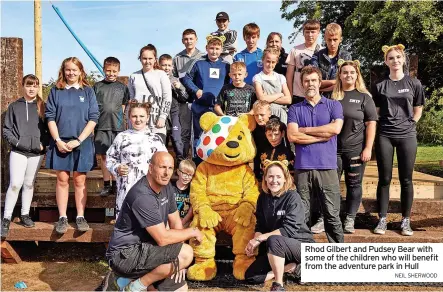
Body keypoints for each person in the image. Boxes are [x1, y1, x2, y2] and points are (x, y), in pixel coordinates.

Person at [104, 152, 203, 292]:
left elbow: (176, 223)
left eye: (170, 168)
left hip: (149, 248)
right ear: (150, 168)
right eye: (162, 167)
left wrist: (179, 263)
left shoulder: (167, 186)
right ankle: (134, 286)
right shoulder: (142, 195)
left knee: (181, 289)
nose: (166, 173)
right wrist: (192, 232)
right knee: (186, 253)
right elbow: (162, 238)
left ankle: (125, 281)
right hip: (125, 255)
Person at [287, 65, 344, 243]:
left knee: (332, 213)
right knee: (302, 214)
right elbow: (292, 135)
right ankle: (302, 256)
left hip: (327, 166)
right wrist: (321, 137)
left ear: (320, 83)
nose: (310, 84)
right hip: (303, 167)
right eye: (306, 81)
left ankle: (338, 255)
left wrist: (307, 130)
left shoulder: (333, 105)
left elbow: (335, 128)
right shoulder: (295, 109)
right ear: (302, 84)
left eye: (313, 80)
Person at [372, 44, 425, 236]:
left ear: (403, 60)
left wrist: (412, 123)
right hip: (385, 134)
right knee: (384, 179)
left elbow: (418, 108)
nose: (395, 61)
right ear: (386, 61)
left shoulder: (414, 83)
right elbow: (376, 111)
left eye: (398, 57)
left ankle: (405, 221)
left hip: (407, 136)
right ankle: (382, 220)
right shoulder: (379, 85)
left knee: (406, 179)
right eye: (391, 58)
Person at [45, 57, 99, 234]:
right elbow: (50, 117)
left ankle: (80, 216)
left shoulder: (88, 91)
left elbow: (93, 118)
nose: (71, 73)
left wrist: (79, 140)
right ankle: (62, 217)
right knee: (61, 180)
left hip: (81, 142)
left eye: (75, 70)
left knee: (79, 180)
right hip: (60, 142)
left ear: (81, 71)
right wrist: (58, 141)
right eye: (68, 70)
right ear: (63, 71)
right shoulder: (55, 91)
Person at [245, 160, 314, 291]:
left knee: (274, 240)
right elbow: (260, 225)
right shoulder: (262, 198)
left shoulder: (293, 197)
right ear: (265, 178)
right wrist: (254, 241)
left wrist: (261, 238)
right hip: (277, 248)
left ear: (285, 179)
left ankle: (278, 284)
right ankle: (293, 267)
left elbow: (288, 230)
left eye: (278, 176)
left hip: (301, 245)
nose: (274, 180)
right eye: (270, 176)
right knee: (252, 276)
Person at [331, 60, 378, 233]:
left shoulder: (364, 97)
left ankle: (350, 219)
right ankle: (329, 218)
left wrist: (368, 148)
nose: (348, 75)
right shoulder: (333, 97)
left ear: (357, 75)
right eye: (345, 72)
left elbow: (371, 124)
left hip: (355, 150)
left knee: (354, 184)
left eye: (352, 72)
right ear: (340, 75)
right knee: (331, 185)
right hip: (333, 150)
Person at [1, 74, 49, 237]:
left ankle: (25, 214)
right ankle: (6, 218)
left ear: (38, 87)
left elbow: (49, 128)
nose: (31, 88)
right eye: (28, 85)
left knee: (29, 184)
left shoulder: (43, 106)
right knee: (15, 184)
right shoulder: (14, 106)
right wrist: (18, 143)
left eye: (35, 85)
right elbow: (7, 130)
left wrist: (44, 144)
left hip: (36, 153)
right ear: (23, 86)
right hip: (19, 151)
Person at [106, 102, 167, 216]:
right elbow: (110, 159)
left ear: (148, 117)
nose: (138, 119)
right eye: (134, 116)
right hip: (126, 192)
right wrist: (117, 167)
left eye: (142, 116)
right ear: (129, 117)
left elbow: (165, 164)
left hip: (150, 193)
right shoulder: (121, 137)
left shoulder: (156, 140)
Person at [181, 35, 230, 164]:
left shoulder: (226, 66)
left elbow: (230, 84)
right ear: (206, 48)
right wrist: (196, 90)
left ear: (221, 49)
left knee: (217, 137)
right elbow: (185, 78)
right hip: (200, 107)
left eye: (217, 48)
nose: (214, 51)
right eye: (211, 48)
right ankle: (198, 165)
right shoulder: (199, 64)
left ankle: (215, 164)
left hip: (218, 108)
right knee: (199, 137)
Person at [93, 57, 130, 197]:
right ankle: (107, 184)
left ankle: (117, 183)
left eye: (114, 71)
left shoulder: (123, 87)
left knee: (118, 156)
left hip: (118, 127)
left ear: (118, 71)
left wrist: (123, 124)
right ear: (103, 69)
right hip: (101, 126)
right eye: (108, 70)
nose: (111, 73)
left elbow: (123, 107)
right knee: (104, 157)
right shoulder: (97, 86)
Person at [128, 44, 172, 143]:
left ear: (155, 59)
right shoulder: (133, 76)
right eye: (144, 58)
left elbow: (167, 98)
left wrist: (163, 116)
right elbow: (131, 99)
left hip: (156, 122)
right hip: (139, 123)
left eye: (150, 58)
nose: (147, 61)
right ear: (140, 59)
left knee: (157, 155)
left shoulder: (161, 75)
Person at [173, 29, 205, 159]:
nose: (188, 41)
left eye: (191, 38)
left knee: (200, 132)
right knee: (185, 133)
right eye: (186, 39)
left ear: (196, 39)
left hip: (199, 100)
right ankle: (183, 162)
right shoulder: (177, 58)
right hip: (184, 101)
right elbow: (174, 77)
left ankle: (199, 161)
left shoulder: (203, 56)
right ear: (182, 41)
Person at [159, 54, 189, 162]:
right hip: (161, 113)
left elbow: (185, 97)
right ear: (159, 65)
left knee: (177, 138)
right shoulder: (156, 78)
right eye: (164, 65)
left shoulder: (175, 80)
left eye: (169, 65)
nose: (166, 68)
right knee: (162, 140)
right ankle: (161, 164)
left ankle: (181, 162)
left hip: (174, 113)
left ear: (172, 67)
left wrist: (179, 88)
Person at [311, 23, 351, 98]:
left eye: (335, 39)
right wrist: (335, 82)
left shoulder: (346, 56)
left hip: (340, 98)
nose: (332, 43)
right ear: (325, 39)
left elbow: (347, 82)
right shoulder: (317, 56)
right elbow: (313, 82)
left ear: (340, 39)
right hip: (320, 99)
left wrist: (322, 88)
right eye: (329, 40)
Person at [286, 20, 321, 104]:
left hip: (316, 96)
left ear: (318, 32)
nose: (310, 35)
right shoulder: (295, 50)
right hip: (297, 95)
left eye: (313, 32)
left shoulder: (322, 51)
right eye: (307, 32)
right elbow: (289, 75)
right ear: (303, 33)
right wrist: (290, 94)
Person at [253, 48, 292, 124]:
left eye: (273, 62)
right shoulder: (257, 77)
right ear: (263, 60)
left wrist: (268, 97)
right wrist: (280, 94)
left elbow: (288, 100)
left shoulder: (280, 77)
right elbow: (261, 98)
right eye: (268, 61)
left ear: (276, 62)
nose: (270, 65)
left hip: (281, 114)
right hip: (265, 114)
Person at [173, 159, 196, 228]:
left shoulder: (192, 189)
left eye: (190, 175)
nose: (187, 177)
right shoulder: (170, 187)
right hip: (172, 220)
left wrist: (184, 221)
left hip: (186, 220)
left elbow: (192, 208)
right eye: (184, 173)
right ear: (178, 172)